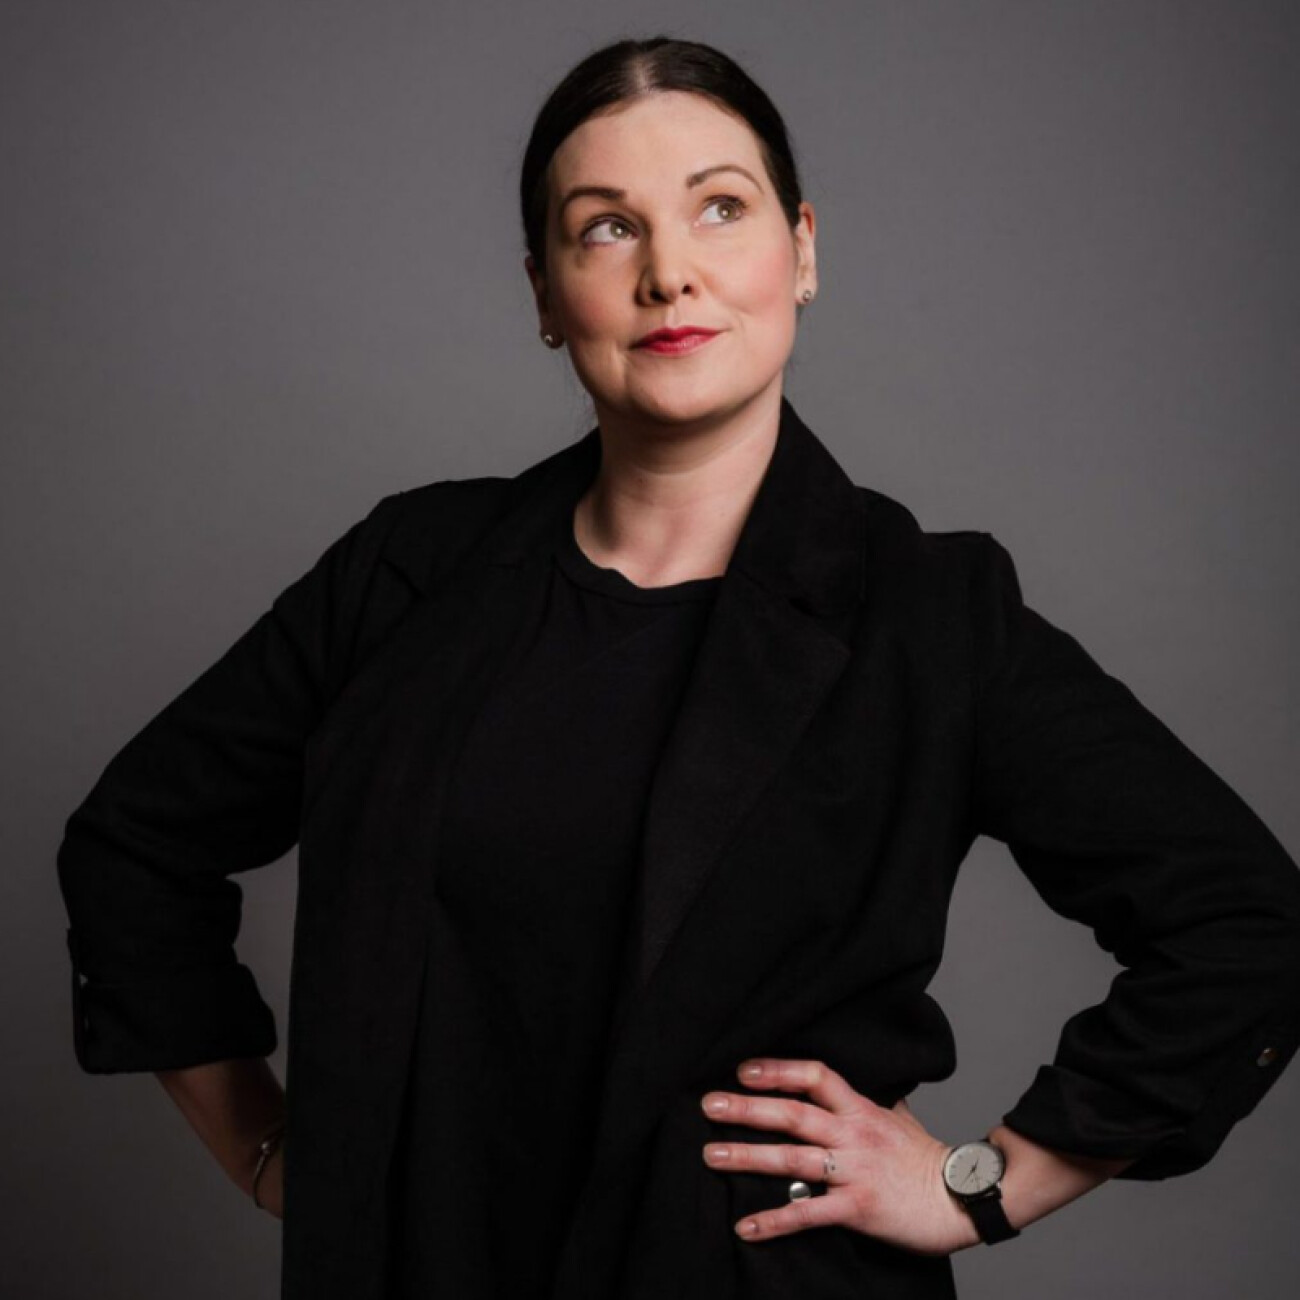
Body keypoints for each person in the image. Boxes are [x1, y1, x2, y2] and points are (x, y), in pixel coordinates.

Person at [57, 34, 1300, 1300]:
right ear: (545, 293)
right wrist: (268, 1147)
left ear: (801, 249)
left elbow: (1244, 924)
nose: (669, 273)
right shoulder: (406, 574)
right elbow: (136, 847)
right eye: (606, 229)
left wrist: (979, 1185)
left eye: (720, 207)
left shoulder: (928, 614)